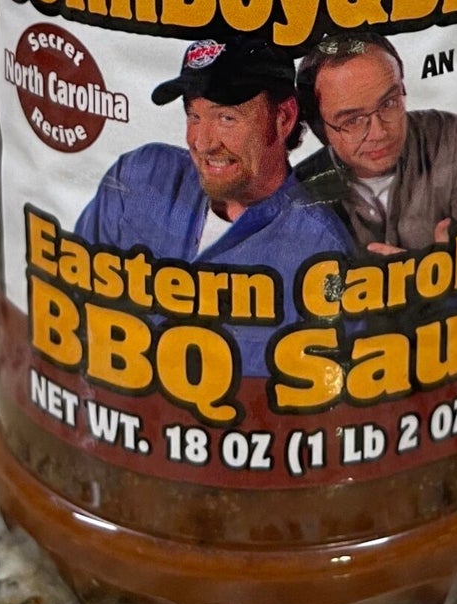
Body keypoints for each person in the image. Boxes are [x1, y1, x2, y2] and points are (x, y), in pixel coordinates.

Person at [75, 36, 352, 372]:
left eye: (226, 118)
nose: (203, 143)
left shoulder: (319, 248)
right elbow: (74, 300)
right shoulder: (139, 176)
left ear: (284, 118)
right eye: (194, 116)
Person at [296, 32, 457, 255]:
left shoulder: (450, 136)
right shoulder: (300, 193)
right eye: (352, 121)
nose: (379, 133)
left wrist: (441, 271)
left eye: (389, 103)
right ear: (320, 129)